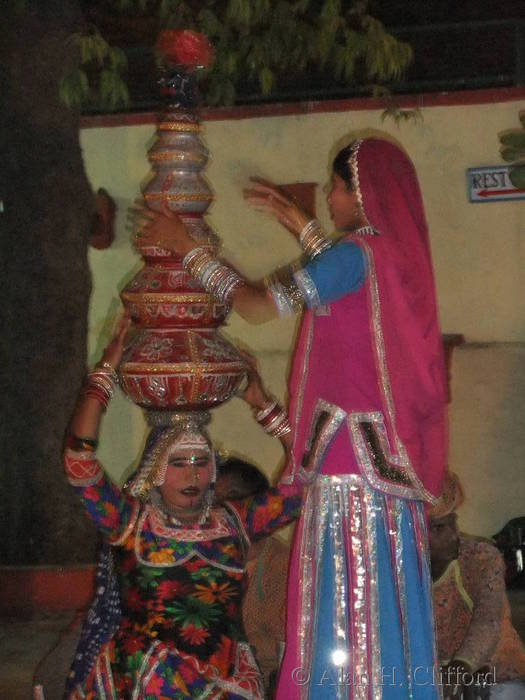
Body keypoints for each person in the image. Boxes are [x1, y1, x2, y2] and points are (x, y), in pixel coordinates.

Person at [136, 136, 448, 699]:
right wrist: (301, 227)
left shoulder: (358, 255)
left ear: (361, 192)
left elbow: (257, 307)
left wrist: (188, 249)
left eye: (333, 186)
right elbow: (344, 295)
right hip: (381, 480)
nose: (328, 197)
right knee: (382, 620)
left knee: (344, 619)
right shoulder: (392, 260)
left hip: (350, 485)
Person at [61, 315, 304, 699]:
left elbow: (307, 475)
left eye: (200, 463)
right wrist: (105, 372)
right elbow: (79, 463)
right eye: (177, 463)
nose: (191, 476)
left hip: (226, 681)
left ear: (212, 474)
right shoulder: (131, 524)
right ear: (156, 474)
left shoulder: (236, 523)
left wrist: (263, 405)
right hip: (146, 677)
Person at [429, 472, 525, 700]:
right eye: (439, 528)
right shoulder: (402, 573)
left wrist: (461, 668)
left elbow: (488, 619)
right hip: (432, 680)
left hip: (499, 675)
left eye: (454, 523)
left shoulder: (480, 558)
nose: (454, 536)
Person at [215, 458, 290, 696]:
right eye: (212, 500)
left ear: (262, 509)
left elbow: (283, 652)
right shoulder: (204, 555)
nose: (220, 509)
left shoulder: (280, 564)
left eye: (232, 498)